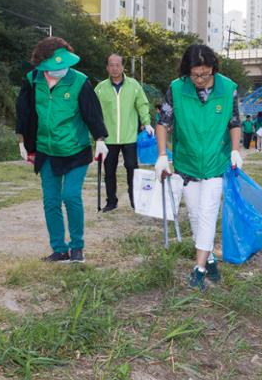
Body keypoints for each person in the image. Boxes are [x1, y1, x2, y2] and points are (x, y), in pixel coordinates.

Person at [155, 44, 243, 290]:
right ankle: (211, 259)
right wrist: (162, 155)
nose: (201, 79)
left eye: (206, 74)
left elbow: (234, 122)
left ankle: (199, 269)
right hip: (187, 163)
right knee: (194, 214)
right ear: (187, 71)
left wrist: (235, 150)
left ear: (214, 69)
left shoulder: (228, 89)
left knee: (207, 213)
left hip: (216, 162)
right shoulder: (177, 88)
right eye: (195, 75)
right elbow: (163, 122)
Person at [17, 37, 108, 264]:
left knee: (71, 196)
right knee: (51, 200)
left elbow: (92, 113)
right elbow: (24, 113)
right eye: (54, 66)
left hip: (75, 149)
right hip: (46, 150)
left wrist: (100, 139)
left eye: (63, 64)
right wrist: (23, 142)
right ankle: (59, 249)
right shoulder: (32, 80)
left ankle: (77, 246)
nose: (60, 70)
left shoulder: (79, 82)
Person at [95, 53, 152, 212]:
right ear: (107, 67)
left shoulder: (133, 85)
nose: (114, 68)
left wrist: (146, 122)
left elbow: (142, 105)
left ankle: (135, 200)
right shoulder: (100, 88)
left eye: (117, 65)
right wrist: (97, 135)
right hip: (109, 137)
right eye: (111, 65)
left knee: (132, 168)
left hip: (129, 136)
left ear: (122, 66)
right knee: (109, 171)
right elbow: (94, 112)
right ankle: (111, 201)